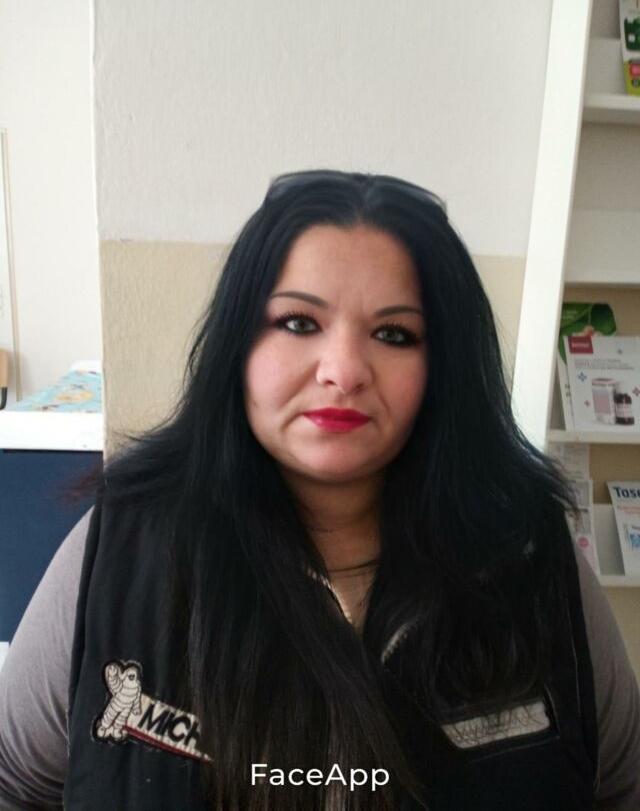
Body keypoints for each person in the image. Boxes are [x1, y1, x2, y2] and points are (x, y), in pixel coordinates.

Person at [0, 170, 639, 811]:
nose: (344, 371)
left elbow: (619, 786)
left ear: (442, 368)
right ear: (237, 346)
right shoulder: (120, 551)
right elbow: (15, 782)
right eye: (299, 322)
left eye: (393, 334)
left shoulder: (529, 557)